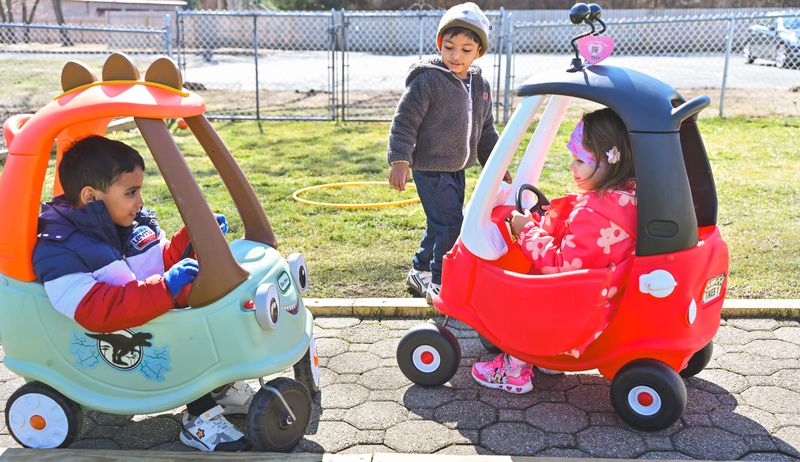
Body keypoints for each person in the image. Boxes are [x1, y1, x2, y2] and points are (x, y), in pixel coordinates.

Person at [32, 135, 252, 452]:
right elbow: (98, 310)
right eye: (131, 192)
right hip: (112, 341)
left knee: (211, 309)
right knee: (186, 332)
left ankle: (219, 386)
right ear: (91, 197)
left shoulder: (127, 225)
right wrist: (164, 288)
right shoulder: (62, 249)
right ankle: (199, 419)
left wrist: (192, 237)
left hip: (143, 324)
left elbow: (159, 261)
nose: (141, 201)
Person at [471, 108, 638, 394]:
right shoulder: (624, 200)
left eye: (579, 160)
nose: (571, 167)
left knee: (519, 294)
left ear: (609, 163)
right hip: (598, 298)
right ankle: (546, 357)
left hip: (574, 307)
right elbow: (580, 246)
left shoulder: (597, 214)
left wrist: (526, 231)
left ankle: (514, 370)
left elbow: (559, 263)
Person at [387, 2, 508, 304]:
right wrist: (400, 159)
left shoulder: (480, 84)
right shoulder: (427, 80)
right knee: (451, 224)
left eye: (466, 50)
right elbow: (405, 120)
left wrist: (496, 164)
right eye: (449, 47)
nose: (456, 56)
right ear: (440, 45)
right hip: (430, 167)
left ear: (479, 52)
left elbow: (486, 131)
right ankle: (442, 281)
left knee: (441, 223)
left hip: (457, 168)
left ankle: (420, 269)